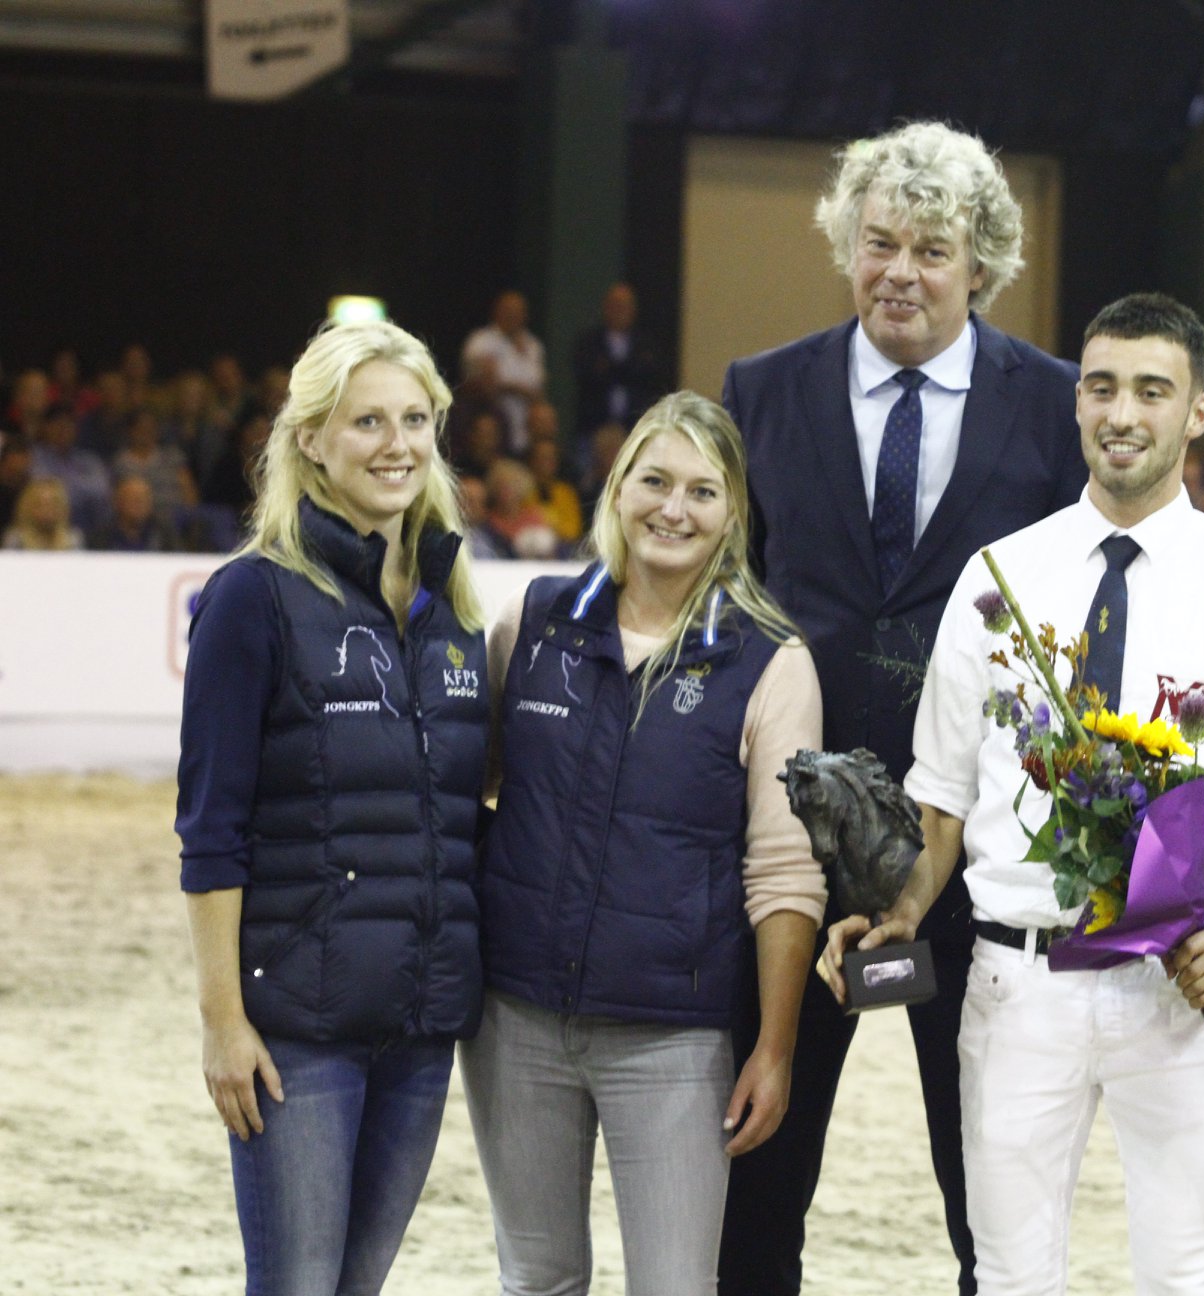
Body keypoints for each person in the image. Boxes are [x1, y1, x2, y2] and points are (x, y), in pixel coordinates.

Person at [823, 294, 1204, 1294]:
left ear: (1196, 413)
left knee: (1187, 1276)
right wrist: (894, 913)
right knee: (1012, 1278)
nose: (1122, 413)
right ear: (1076, 402)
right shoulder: (997, 579)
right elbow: (939, 802)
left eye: (1153, 390)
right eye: (1101, 387)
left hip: (1179, 991)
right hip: (1018, 987)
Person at [718, 119, 1090, 1295]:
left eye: (934, 250)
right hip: (792, 843)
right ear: (845, 245)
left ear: (983, 262)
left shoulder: (1059, 407)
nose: (902, 273)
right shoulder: (760, 391)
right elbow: (731, 602)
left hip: (982, 853)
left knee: (985, 1169)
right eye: (879, 242)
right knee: (760, 1160)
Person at [461, 390, 825, 1294]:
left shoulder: (771, 663)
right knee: (537, 1276)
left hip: (673, 1041)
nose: (674, 507)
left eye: (702, 491)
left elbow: (785, 876)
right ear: (616, 490)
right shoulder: (531, 623)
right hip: (516, 1023)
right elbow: (475, 793)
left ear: (733, 512)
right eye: (654, 480)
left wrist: (773, 1049)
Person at [173, 320, 490, 1295]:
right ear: (310, 438)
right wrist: (224, 1022)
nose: (396, 444)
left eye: (414, 419)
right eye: (366, 423)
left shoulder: (455, 611)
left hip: (422, 1026)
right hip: (297, 1034)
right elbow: (210, 830)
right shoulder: (251, 599)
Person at [572, 281, 668, 439]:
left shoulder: (647, 345)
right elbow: (588, 377)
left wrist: (611, 370)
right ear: (605, 307)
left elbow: (650, 378)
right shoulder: (589, 343)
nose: (619, 311)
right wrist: (628, 371)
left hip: (636, 428)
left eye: (624, 306)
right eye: (615, 305)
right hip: (594, 427)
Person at [462, 290, 547, 454]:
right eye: (508, 311)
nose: (513, 316)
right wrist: (518, 389)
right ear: (497, 312)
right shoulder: (481, 342)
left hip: (526, 429)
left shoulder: (533, 345)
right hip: (494, 422)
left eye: (518, 312)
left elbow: (539, 391)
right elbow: (479, 386)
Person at [2, 476, 85, 551]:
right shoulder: (15, 540)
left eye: (53, 504)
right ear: (27, 508)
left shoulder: (72, 540)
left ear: (62, 508)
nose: (47, 510)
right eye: (39, 504)